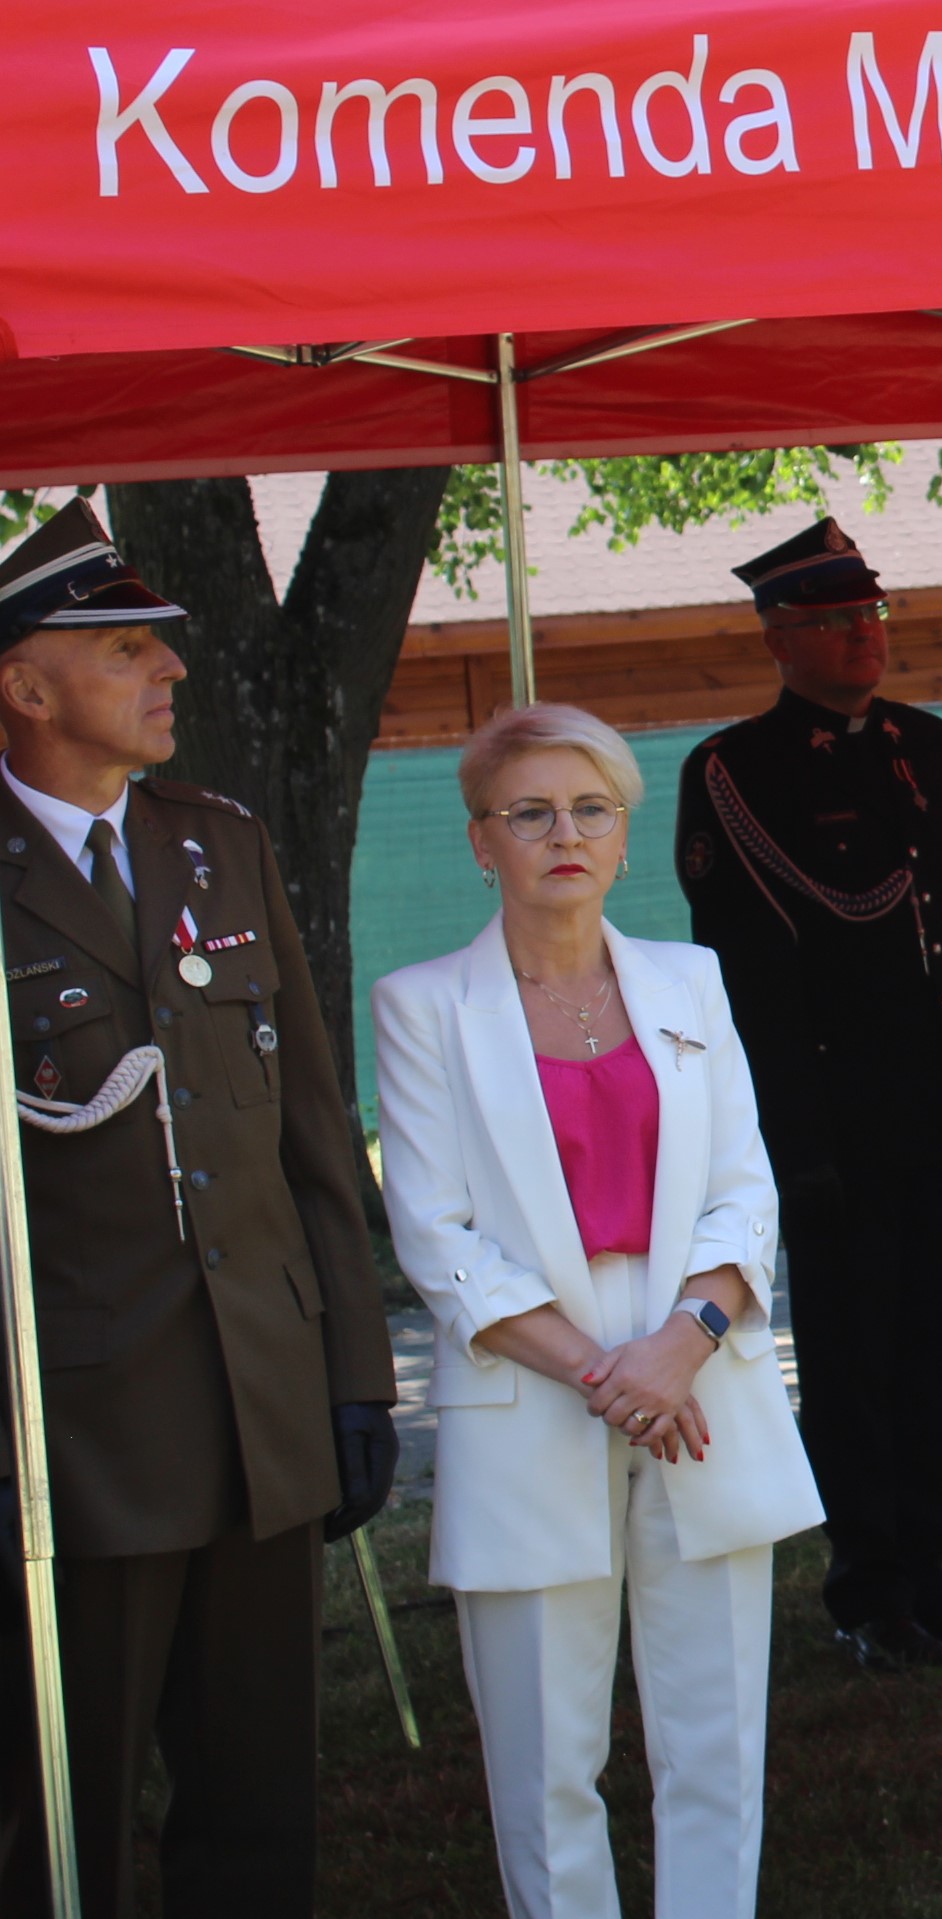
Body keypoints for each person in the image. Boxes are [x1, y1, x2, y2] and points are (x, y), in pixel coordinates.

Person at [0, 501, 396, 1914]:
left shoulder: (219, 842)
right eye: (125, 649)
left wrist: (353, 1371)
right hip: (81, 1435)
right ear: (24, 684)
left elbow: (310, 1136)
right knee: (66, 1821)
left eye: (161, 645)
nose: (170, 668)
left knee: (257, 1806)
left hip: (261, 1409)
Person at [375, 704, 821, 1918]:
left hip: (698, 1377)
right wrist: (606, 1373)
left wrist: (680, 1346)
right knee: (544, 1765)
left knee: (717, 1745)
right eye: (529, 812)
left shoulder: (690, 980)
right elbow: (436, 1235)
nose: (563, 834)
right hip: (533, 1384)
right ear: (481, 842)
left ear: (624, 835)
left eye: (590, 808)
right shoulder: (423, 1005)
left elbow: (744, 1188)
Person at [674, 519, 942, 1669]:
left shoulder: (925, 745)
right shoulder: (735, 771)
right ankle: (867, 1586)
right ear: (779, 638)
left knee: (933, 1353)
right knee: (852, 1363)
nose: (861, 635)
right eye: (834, 619)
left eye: (871, 612)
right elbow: (750, 975)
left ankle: (930, 1569)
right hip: (833, 1120)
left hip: (938, 1105)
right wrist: (794, 1142)